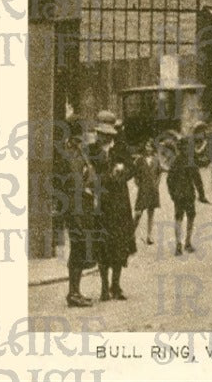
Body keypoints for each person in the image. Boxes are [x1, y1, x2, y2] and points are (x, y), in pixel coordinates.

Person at [91, 114, 136, 301]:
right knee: (102, 245)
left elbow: (132, 169)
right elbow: (89, 175)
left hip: (119, 203)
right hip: (101, 203)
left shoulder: (121, 148)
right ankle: (103, 287)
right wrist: (106, 177)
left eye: (108, 133)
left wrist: (122, 173)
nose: (104, 137)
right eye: (101, 133)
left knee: (119, 244)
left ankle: (115, 285)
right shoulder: (91, 151)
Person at [62, 123, 98, 307]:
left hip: (81, 208)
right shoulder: (72, 155)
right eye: (79, 137)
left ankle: (75, 291)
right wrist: (87, 189)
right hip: (76, 209)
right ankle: (73, 293)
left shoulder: (78, 152)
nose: (81, 140)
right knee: (78, 248)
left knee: (79, 248)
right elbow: (76, 183)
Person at [167, 135, 209, 256]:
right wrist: (202, 195)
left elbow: (169, 180)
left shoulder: (175, 161)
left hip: (179, 195)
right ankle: (187, 243)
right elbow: (197, 180)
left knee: (178, 218)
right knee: (190, 217)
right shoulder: (190, 161)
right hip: (189, 194)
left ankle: (178, 245)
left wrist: (172, 194)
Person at [132, 139, 162, 246]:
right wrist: (138, 184)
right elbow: (135, 174)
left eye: (150, 146)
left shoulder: (156, 160)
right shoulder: (140, 160)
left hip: (153, 190)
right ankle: (130, 234)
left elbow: (159, 173)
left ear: (153, 148)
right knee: (138, 213)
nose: (148, 148)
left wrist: (156, 184)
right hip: (143, 189)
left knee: (151, 213)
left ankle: (149, 236)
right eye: (146, 146)